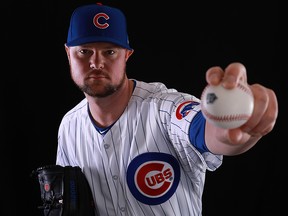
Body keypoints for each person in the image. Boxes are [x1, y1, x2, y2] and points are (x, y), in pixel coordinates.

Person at [56, 2, 278, 216]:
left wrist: (235, 125)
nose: (96, 62)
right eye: (84, 51)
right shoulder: (69, 127)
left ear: (126, 55)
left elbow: (205, 130)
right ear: (68, 53)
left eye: (109, 52)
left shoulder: (164, 108)